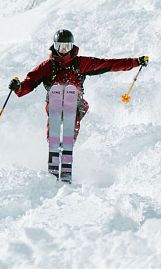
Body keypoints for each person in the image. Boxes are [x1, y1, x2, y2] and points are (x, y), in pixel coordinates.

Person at [8, 29, 147, 181]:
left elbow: (108, 64)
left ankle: (69, 140)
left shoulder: (80, 63)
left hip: (75, 102)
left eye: (66, 47)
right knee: (57, 92)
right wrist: (18, 87)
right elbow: (29, 82)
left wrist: (135, 62)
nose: (63, 50)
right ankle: (54, 140)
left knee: (71, 94)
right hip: (54, 101)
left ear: (72, 46)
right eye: (59, 46)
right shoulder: (47, 66)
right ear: (54, 46)